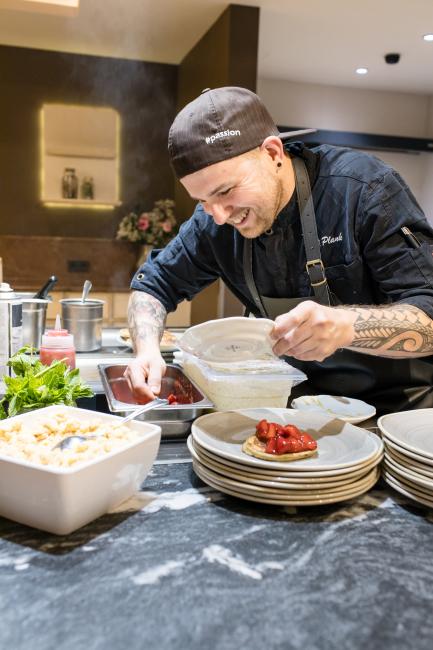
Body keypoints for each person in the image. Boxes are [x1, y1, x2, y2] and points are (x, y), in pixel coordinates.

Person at [125, 86, 433, 415]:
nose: (219, 215)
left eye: (226, 191)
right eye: (203, 201)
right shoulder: (212, 223)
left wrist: (345, 326)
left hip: (397, 411)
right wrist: (146, 350)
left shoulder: (364, 190)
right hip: (295, 405)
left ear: (273, 153)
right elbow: (153, 284)